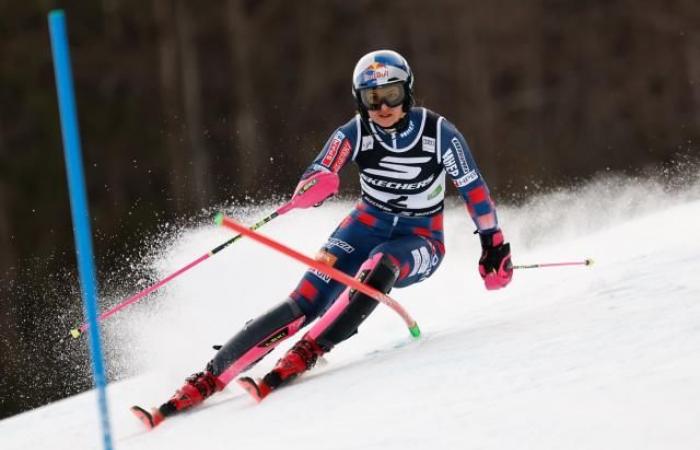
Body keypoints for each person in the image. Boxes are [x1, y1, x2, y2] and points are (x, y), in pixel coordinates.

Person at [131, 49, 513, 429]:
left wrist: (493, 244)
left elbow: (474, 190)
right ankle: (208, 377)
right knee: (305, 300)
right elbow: (322, 168)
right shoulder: (355, 132)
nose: (382, 107)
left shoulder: (439, 133)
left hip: (421, 238)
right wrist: (316, 186)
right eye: (371, 99)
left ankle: (310, 349)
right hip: (364, 224)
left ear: (408, 92)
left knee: (380, 265)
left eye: (391, 95)